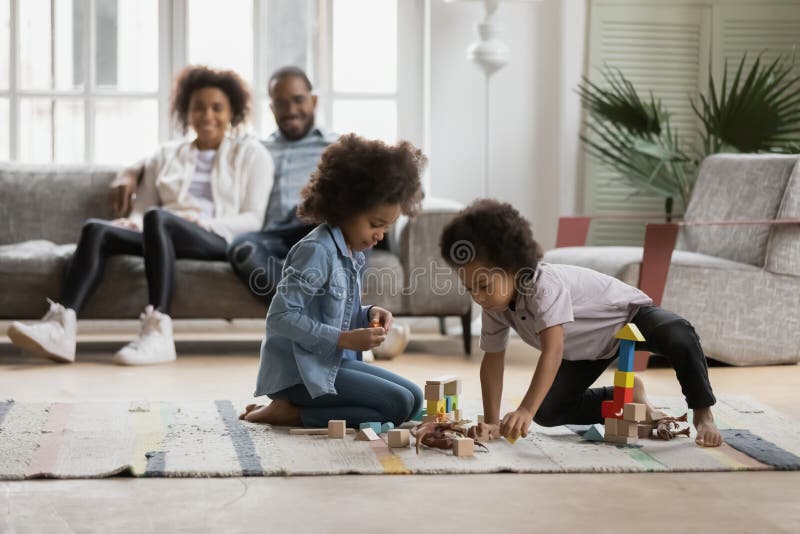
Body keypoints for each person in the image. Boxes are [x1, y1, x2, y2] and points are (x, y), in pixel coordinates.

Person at [7, 66, 273, 365]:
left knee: (160, 219)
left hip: (216, 238)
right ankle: (62, 326)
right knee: (97, 229)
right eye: (198, 107)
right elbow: (144, 208)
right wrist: (131, 221)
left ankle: (158, 329)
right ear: (186, 111)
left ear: (232, 112)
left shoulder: (253, 155)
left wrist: (203, 223)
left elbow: (253, 219)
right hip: (163, 231)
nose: (207, 115)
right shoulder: (165, 155)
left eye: (217, 108)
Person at [438, 199, 723, 447]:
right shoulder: (495, 306)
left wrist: (524, 409)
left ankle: (703, 413)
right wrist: (492, 423)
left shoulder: (543, 285)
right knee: (548, 411)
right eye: (469, 288)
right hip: (585, 350)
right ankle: (627, 397)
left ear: (514, 267)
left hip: (627, 319)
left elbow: (553, 350)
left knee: (677, 333)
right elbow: (493, 361)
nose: (477, 296)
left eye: (484, 285)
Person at [239, 134, 425, 428]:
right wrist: (342, 339)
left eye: (386, 227)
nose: (380, 235)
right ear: (345, 207)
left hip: (333, 363)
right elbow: (280, 317)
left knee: (415, 398)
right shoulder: (316, 251)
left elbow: (335, 309)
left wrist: (368, 313)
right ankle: (291, 411)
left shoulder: (352, 251)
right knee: (397, 405)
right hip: (301, 373)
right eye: (376, 224)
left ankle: (294, 409)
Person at [227, 66, 339, 302]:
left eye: (298, 100)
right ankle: (316, 318)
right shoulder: (257, 149)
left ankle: (311, 322)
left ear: (314, 100)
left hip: (320, 229)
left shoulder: (337, 146)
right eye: (281, 103)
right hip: (274, 234)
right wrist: (133, 173)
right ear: (271, 108)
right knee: (241, 247)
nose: (290, 110)